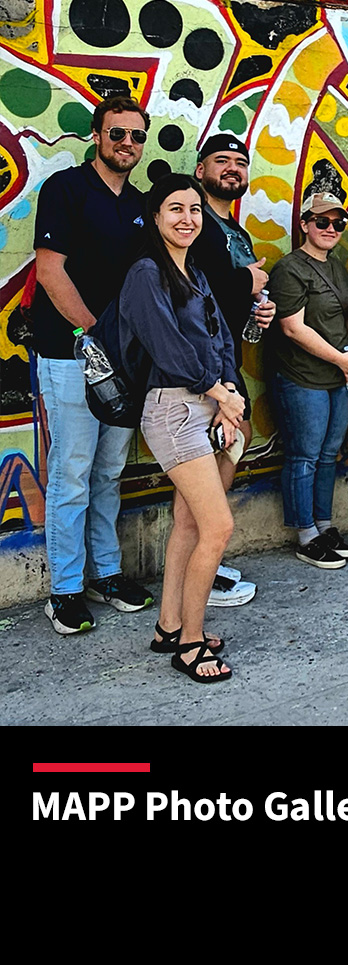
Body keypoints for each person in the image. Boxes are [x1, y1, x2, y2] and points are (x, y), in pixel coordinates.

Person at [32, 95, 154, 635]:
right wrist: (91, 336)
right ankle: (63, 591)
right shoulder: (65, 190)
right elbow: (51, 272)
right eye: (117, 134)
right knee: (71, 475)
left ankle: (106, 574)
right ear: (96, 136)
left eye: (135, 136)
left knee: (108, 472)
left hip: (123, 362)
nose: (126, 144)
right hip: (70, 353)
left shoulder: (141, 204)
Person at [120, 174, 242, 682]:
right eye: (175, 209)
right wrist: (220, 392)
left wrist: (228, 399)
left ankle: (169, 625)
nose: (188, 218)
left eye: (194, 209)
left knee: (190, 524)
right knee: (219, 527)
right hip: (172, 409)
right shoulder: (147, 274)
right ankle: (190, 645)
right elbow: (168, 348)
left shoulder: (195, 272)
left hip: (207, 405)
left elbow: (221, 339)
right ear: (155, 217)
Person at [192, 132, 276, 606]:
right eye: (221, 161)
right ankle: (201, 564)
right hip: (200, 366)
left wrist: (257, 316)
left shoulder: (236, 232)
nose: (232, 170)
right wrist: (248, 279)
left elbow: (235, 308)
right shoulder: (194, 222)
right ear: (200, 169)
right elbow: (198, 288)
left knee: (229, 450)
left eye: (240, 163)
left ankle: (209, 557)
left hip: (227, 359)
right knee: (207, 463)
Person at [268, 193, 348, 568]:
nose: (330, 229)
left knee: (328, 454)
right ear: (305, 224)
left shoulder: (338, 268)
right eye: (321, 222)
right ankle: (305, 534)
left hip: (339, 375)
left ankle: (324, 525)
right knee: (304, 455)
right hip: (302, 377)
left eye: (338, 223)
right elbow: (293, 328)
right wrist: (342, 359)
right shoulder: (290, 269)